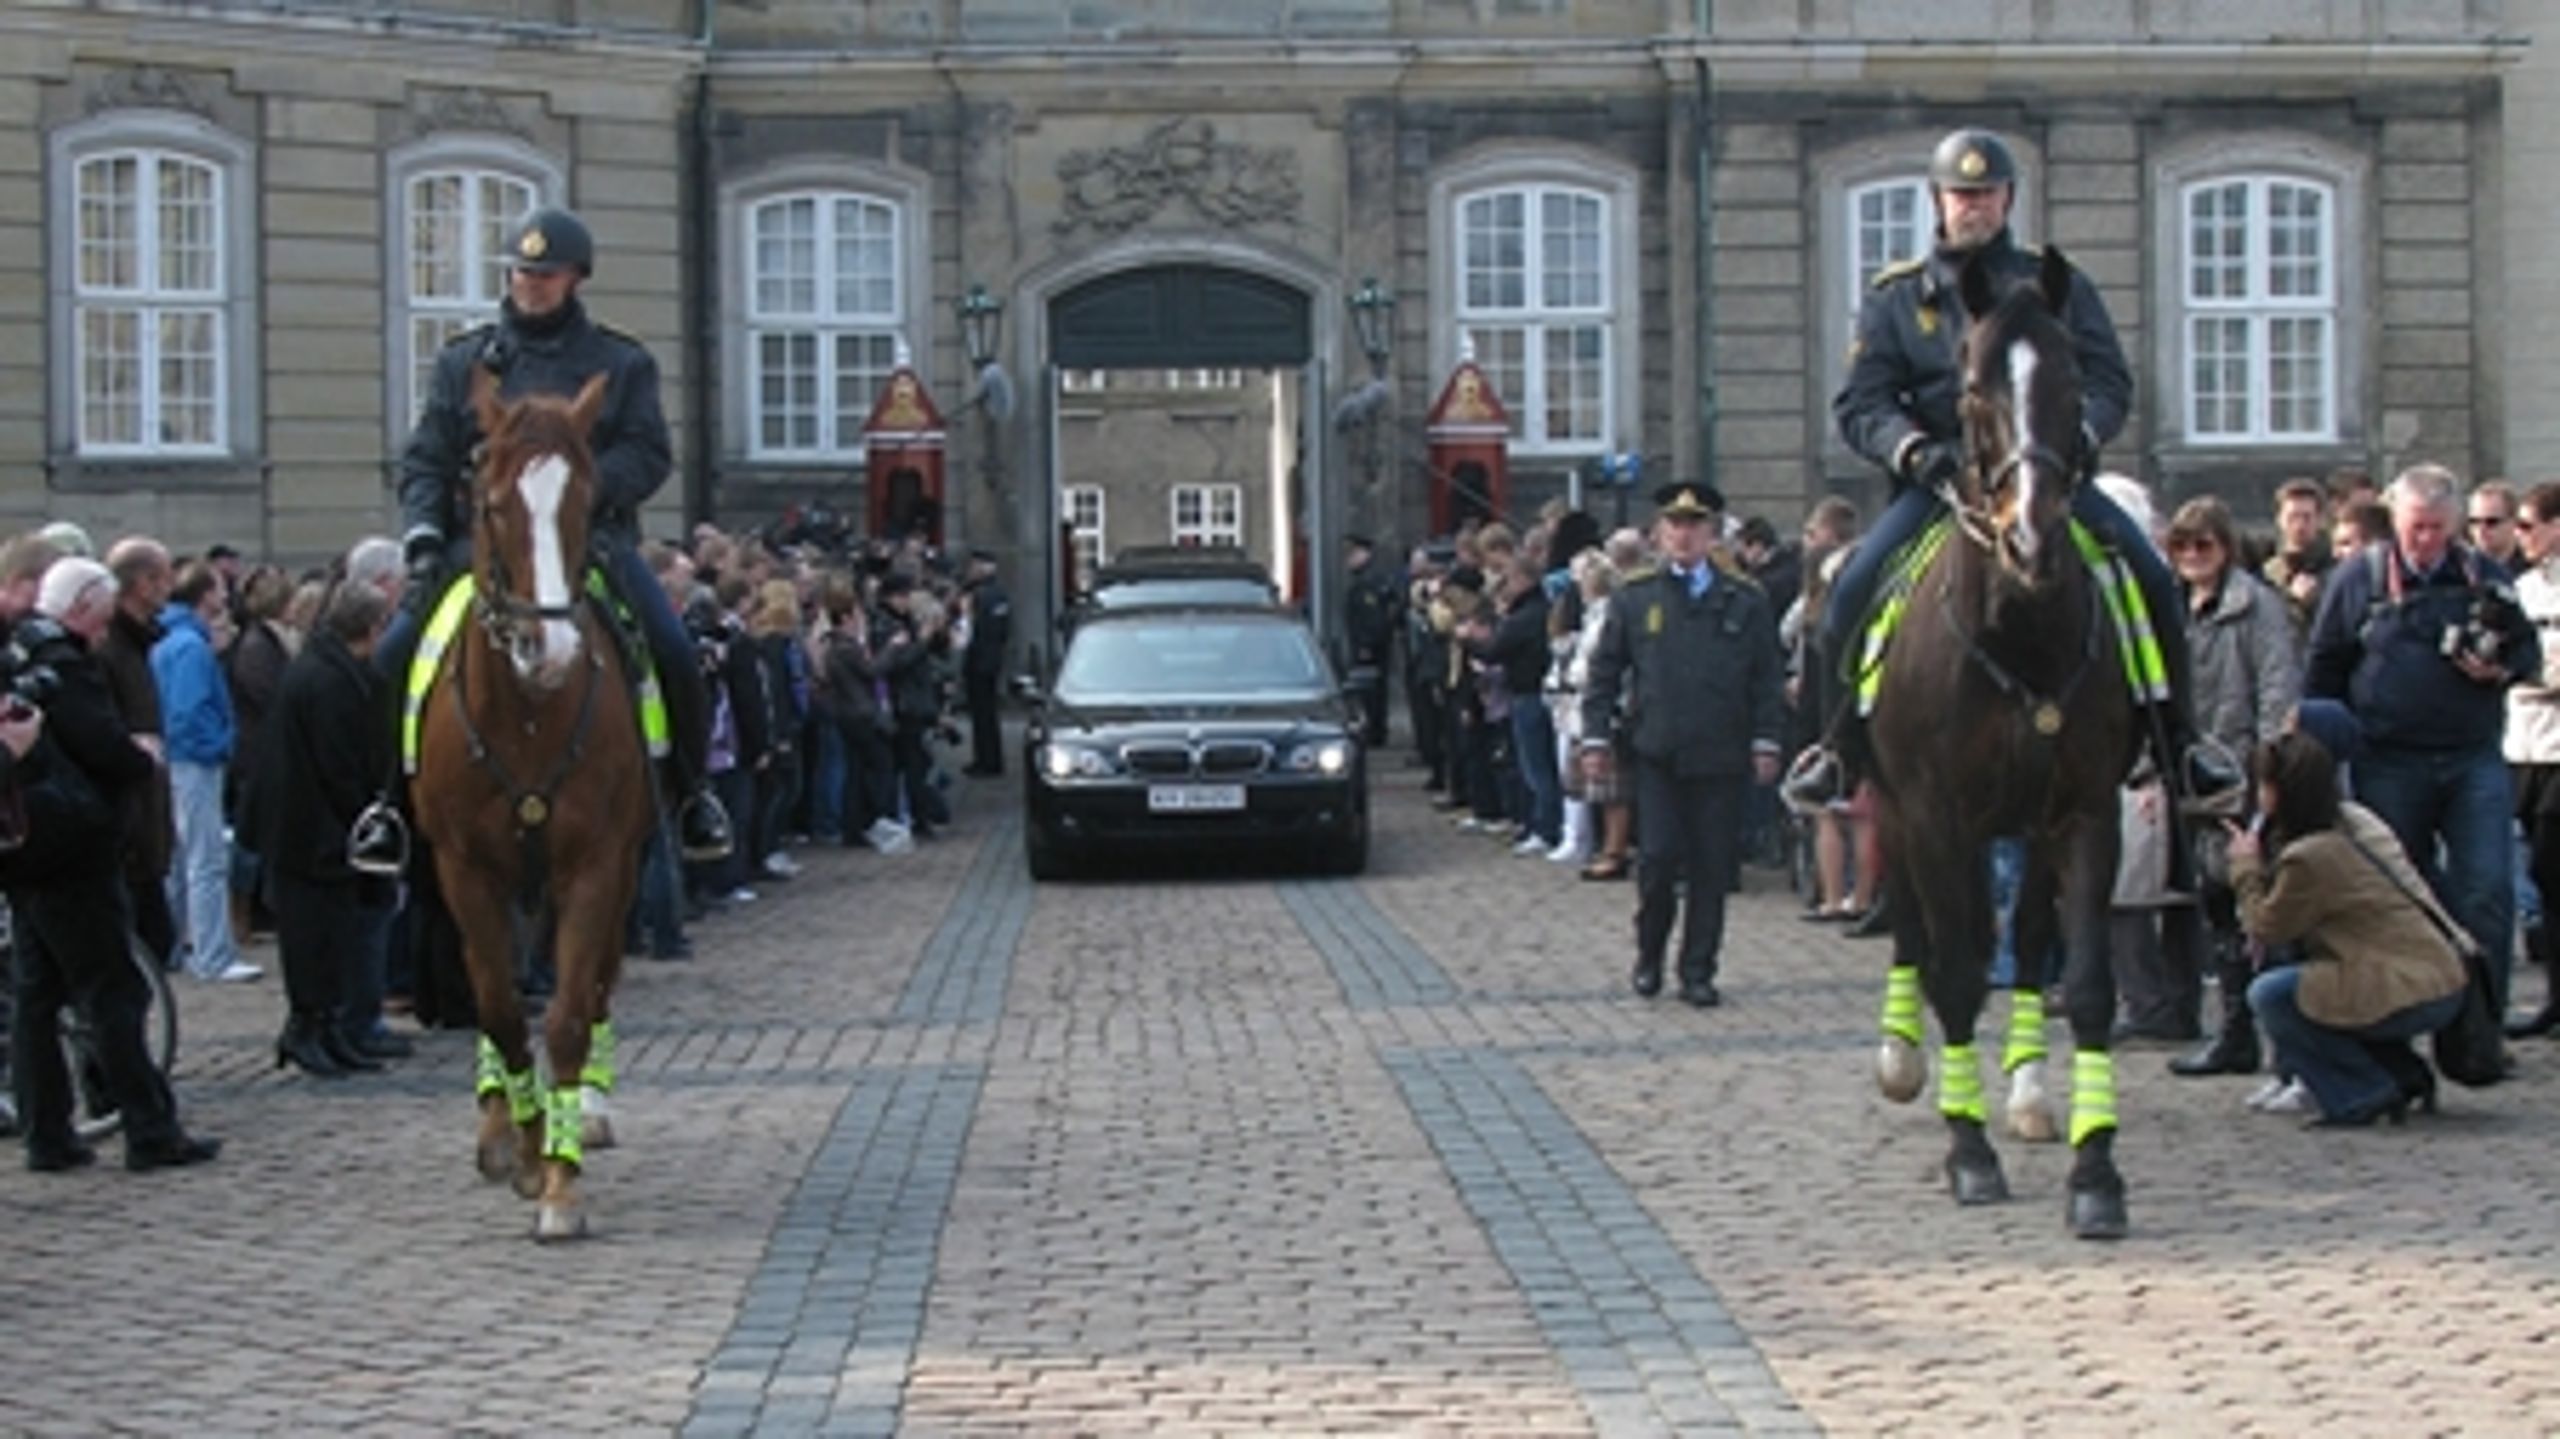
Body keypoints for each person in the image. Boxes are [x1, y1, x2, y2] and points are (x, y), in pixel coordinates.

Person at [1791, 127, 2234, 813]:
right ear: (1938, 200)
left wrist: (2081, 435)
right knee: (1852, 588)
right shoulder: (1899, 299)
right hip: (1941, 484)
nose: (1976, 206)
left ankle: (2180, 741)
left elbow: (2110, 379)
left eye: (1988, 193)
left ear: (2008, 199)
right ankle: (1837, 745)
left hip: (2043, 476)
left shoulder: (2054, 284)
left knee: (2148, 573)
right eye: (1962, 194)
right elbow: (1862, 402)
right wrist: (1911, 448)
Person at [377, 206, 731, 867]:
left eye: (546, 274)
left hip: (590, 543)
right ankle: (385, 806)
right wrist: (424, 533)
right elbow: (426, 457)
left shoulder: (619, 364)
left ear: (575, 279)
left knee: (674, 650)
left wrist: (579, 488)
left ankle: (692, 796)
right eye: (522, 272)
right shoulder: (466, 362)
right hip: (481, 550)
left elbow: (649, 453)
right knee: (393, 655)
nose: (530, 285)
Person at [2305, 462, 2539, 1023]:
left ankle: (2478, 1031)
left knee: (2486, 889)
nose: (2428, 540)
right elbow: (2323, 668)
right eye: (2417, 528)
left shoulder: (2485, 577)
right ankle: (2397, 1027)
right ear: (2395, 522)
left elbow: (2526, 653)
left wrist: (2499, 669)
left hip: (2472, 755)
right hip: (2387, 759)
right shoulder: (2359, 578)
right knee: (2394, 897)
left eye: (2439, 528)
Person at [10, 559, 220, 1171]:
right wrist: (139, 756)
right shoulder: (64, 664)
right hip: (70, 848)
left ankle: (46, 1132)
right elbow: (100, 745)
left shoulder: (19, 650)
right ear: (80, 609)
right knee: (112, 992)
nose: (103, 634)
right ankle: (150, 1129)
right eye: (99, 621)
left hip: (28, 847)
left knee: (38, 995)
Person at [1579, 482, 1786, 1008]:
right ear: (1659, 534)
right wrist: (1596, 735)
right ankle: (1649, 954)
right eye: (1674, 525)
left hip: (1720, 754)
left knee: (1712, 867)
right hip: (1658, 751)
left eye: (1694, 526)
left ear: (1713, 534)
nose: (1684, 536)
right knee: (1657, 859)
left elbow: (1766, 678)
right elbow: (1605, 674)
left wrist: (1767, 740)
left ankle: (1698, 968)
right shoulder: (1636, 595)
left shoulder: (1745, 599)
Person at [2229, 732, 2468, 1128]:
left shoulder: (2311, 857)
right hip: (2432, 974)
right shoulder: (2345, 828)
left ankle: (2359, 1093)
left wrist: (2244, 868)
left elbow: (2267, 926)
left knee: (2273, 995)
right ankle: (2402, 1074)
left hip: (2410, 986)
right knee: (2321, 985)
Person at [2155, 497, 2301, 1076]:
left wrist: (2268, 769)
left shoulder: (2257, 607)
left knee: (2264, 906)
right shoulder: (2170, 609)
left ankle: (2285, 1041)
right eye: (2182, 546)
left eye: (2204, 545)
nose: (2193, 556)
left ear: (2226, 547)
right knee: (2215, 906)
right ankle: (2236, 1031)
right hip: (2191, 774)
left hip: (2242, 771)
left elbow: (2276, 686)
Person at [244, 582, 398, 1078]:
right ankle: (307, 1027)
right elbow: (339, 766)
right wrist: (366, 817)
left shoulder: (332, 670)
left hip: (317, 827)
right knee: (311, 940)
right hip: (308, 829)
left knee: (331, 936)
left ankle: (328, 1027)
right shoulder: (327, 680)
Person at [151, 560, 257, 985]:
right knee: (206, 860)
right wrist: (220, 745)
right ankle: (212, 955)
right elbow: (187, 713)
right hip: (194, 760)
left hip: (180, 758)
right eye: (217, 588)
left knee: (181, 859)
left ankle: (174, 946)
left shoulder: (171, 639)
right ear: (204, 595)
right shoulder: (190, 646)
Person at [97, 537, 179, 971]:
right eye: (165, 577)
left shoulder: (139, 645)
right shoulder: (110, 648)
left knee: (156, 940)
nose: (171, 587)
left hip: (146, 826)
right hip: (128, 829)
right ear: (143, 583)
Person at [2505, 480, 2560, 1039]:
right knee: (2542, 876)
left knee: (2551, 860)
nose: (2522, 537)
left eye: (2527, 525)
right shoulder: (2519, 587)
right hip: (2523, 743)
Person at [959, 548, 1012, 777]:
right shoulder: (1000, 593)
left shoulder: (979, 595)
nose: (970, 571)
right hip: (992, 658)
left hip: (979, 659)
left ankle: (986, 761)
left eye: (973, 567)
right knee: (988, 713)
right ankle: (991, 759)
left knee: (982, 714)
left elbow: (972, 630)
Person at [2260, 477, 2332, 640]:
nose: (2299, 526)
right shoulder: (2265, 570)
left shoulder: (2335, 570)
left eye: (2307, 517)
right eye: (2292, 517)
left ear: (2320, 520)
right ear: (2279, 519)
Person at [1342, 534, 1397, 748]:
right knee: (1373, 690)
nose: (1348, 559)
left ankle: (1375, 732)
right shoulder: (1366, 578)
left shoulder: (1368, 581)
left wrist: (1366, 645)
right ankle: (1376, 730)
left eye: (1352, 554)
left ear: (1364, 554)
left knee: (1371, 691)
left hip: (1370, 646)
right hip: (1372, 644)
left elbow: (1371, 617)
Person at [2468, 479, 2524, 571]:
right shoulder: (2460, 570)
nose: (2481, 529)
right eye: (2474, 521)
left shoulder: (2534, 573)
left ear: (2514, 523)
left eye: (2491, 522)